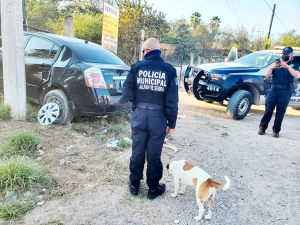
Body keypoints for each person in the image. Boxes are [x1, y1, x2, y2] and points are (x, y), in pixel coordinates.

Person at [121, 37, 179, 199]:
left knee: (137, 151)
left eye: (143, 51)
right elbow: (172, 101)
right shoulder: (169, 71)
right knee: (154, 154)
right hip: (158, 118)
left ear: (146, 51)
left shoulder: (137, 67)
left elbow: (127, 94)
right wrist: (172, 123)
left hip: (139, 115)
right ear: (158, 51)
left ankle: (134, 185)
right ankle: (153, 189)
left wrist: (138, 106)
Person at [258, 46, 300, 138]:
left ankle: (276, 130)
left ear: (291, 55)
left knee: (280, 111)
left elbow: (297, 75)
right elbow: (267, 75)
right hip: (273, 89)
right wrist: (272, 67)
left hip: (285, 91)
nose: (284, 56)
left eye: (286, 54)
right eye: (283, 54)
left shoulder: (294, 65)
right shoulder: (276, 63)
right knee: (268, 109)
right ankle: (262, 128)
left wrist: (287, 67)